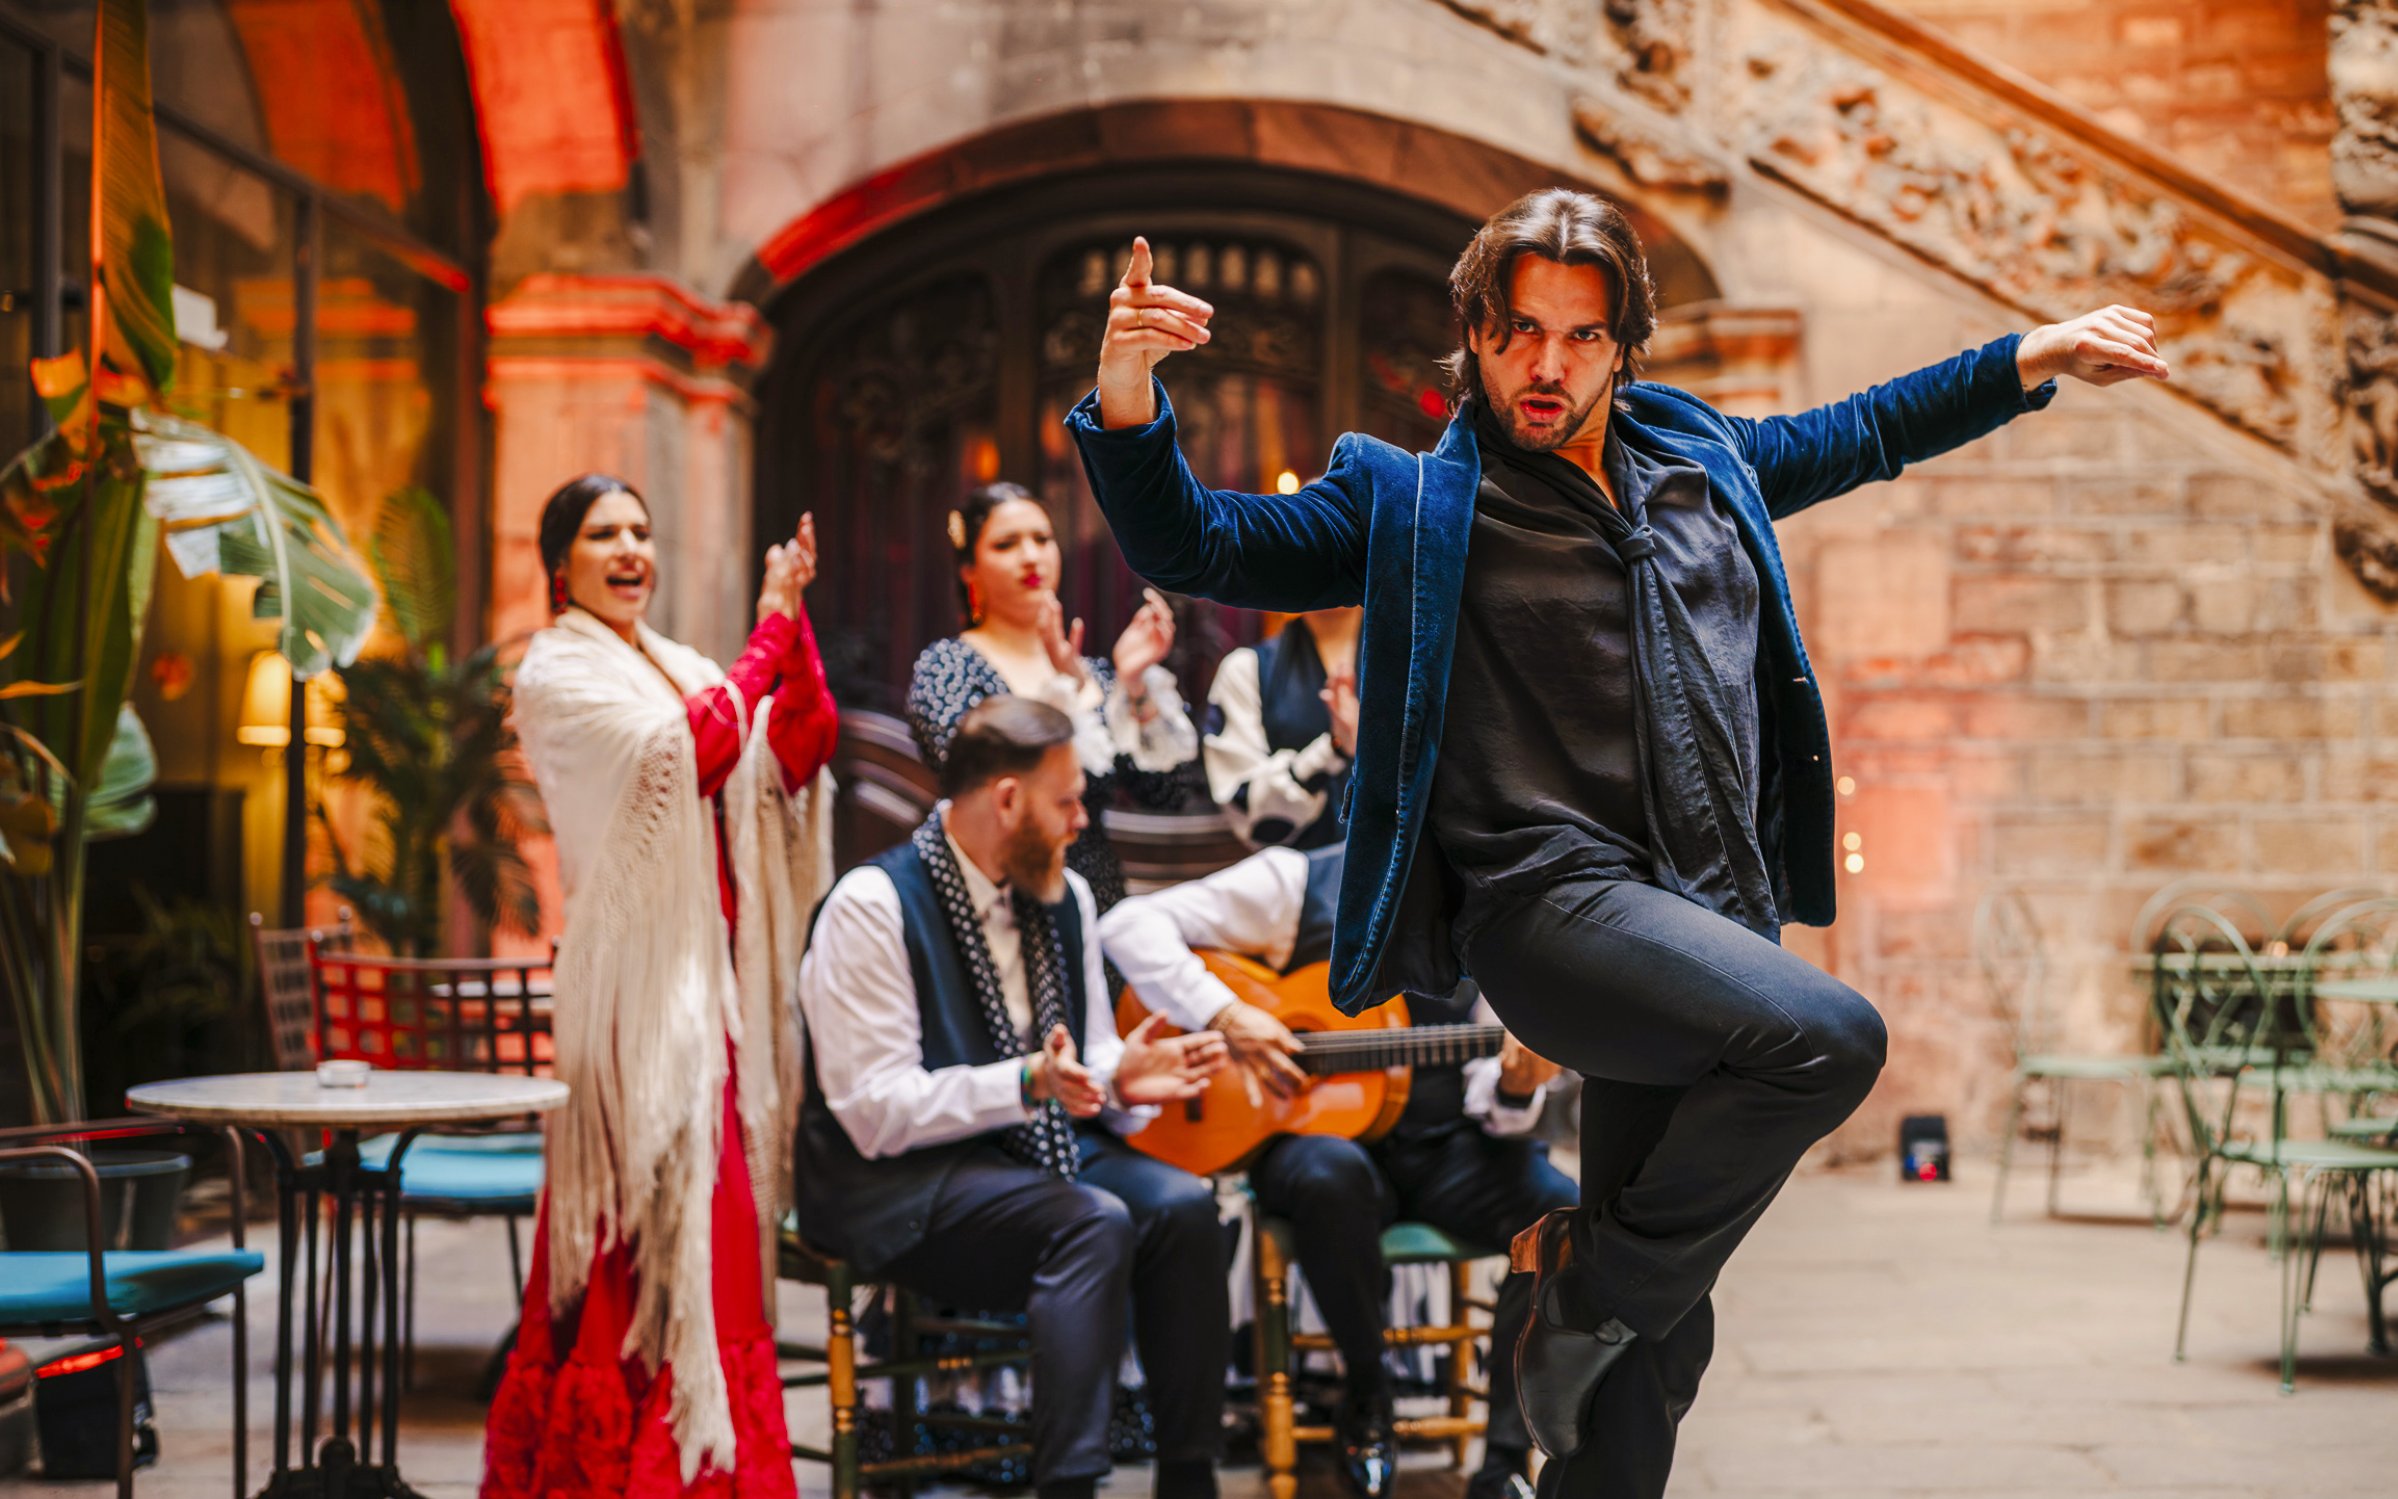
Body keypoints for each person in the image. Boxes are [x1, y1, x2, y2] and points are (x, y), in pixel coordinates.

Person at [1067, 188, 2170, 1497]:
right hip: (1543, 906)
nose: (1547, 364)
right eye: (1519, 331)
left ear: (1622, 343)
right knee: (1831, 1036)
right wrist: (1129, 398)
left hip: (1696, 910)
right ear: (1474, 334)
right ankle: (1576, 1283)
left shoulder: (1697, 456)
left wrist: (2024, 359)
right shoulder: (1414, 502)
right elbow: (1198, 539)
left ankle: (1592, 1318)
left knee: (1657, 1350)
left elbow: (1863, 430)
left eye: (1581, 336)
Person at [486, 476, 839, 1499]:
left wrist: (794, 626)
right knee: (627, 1246)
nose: (630, 547)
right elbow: (686, 753)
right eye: (604, 534)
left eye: (642, 530)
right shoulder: (556, 671)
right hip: (631, 1010)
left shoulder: (676, 664)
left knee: (719, 1245)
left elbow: (791, 749)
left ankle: (704, 1469)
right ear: (563, 562)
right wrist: (767, 636)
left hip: (709, 1000)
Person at [796, 696, 1234, 1499]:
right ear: (1006, 799)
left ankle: (1188, 1475)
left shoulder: (1064, 896)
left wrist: (1120, 1078)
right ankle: (1069, 1487)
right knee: (1089, 1223)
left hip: (1032, 1152)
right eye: (1067, 801)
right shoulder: (873, 905)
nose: (1080, 821)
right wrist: (1028, 1081)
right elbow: (875, 1109)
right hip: (899, 1180)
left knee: (1183, 1208)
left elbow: (1086, 1052)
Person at [1098, 840, 1574, 1499]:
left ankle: (1502, 1460)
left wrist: (1521, 1087)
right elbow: (1126, 925)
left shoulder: (1504, 905)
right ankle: (1367, 1386)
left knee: (1558, 1220)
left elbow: (1497, 1091)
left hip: (1449, 1146)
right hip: (1313, 1140)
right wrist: (1227, 1013)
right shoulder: (1298, 882)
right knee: (1329, 1175)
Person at [908, 481, 1197, 911]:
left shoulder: (1092, 672)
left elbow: (1167, 793)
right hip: (999, 896)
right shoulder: (949, 666)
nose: (1031, 556)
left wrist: (1132, 683)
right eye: (1006, 544)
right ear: (969, 568)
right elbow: (973, 779)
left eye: (1042, 539)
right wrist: (1069, 693)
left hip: (1096, 901)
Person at [1203, 605, 1361, 850]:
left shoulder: (1413, 664)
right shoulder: (1246, 669)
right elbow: (1247, 811)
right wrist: (1333, 750)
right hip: (1302, 876)